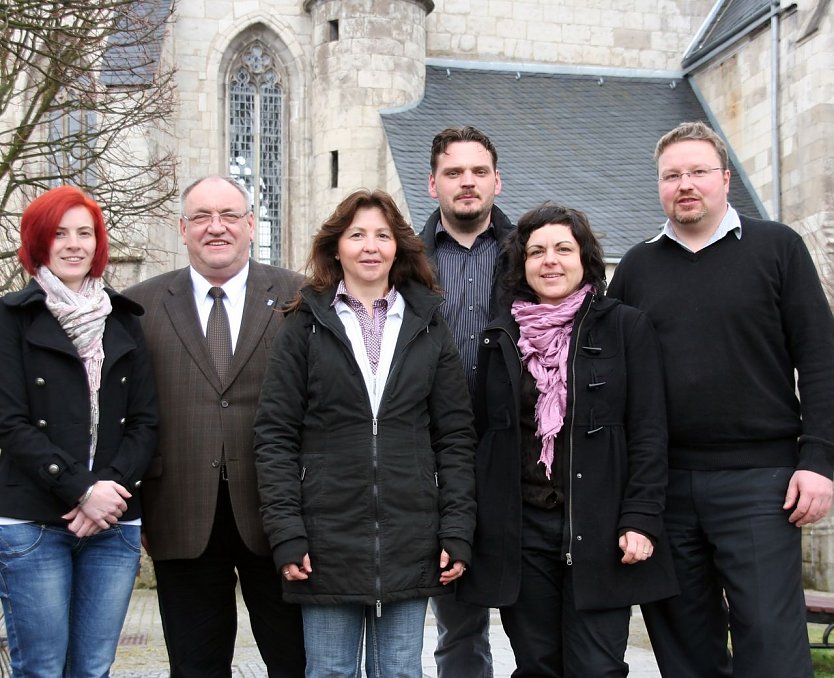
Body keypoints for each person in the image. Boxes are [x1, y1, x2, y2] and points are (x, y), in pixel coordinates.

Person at [608, 120, 834, 678]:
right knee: (684, 650)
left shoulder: (777, 247)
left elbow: (822, 358)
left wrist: (820, 461)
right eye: (672, 175)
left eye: (698, 172)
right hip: (665, 486)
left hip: (760, 482)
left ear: (725, 179)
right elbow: (611, 375)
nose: (685, 184)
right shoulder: (637, 267)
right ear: (659, 186)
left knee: (773, 648)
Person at [253, 189, 477, 677]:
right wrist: (286, 533)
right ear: (337, 247)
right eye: (357, 235)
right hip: (325, 538)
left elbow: (455, 437)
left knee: (398, 671)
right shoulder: (303, 324)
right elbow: (275, 437)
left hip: (410, 536)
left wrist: (457, 529)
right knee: (330, 671)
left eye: (382, 234)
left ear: (399, 246)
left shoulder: (428, 323)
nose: (370, 246)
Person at [457, 202, 677, 676]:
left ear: (585, 259)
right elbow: (484, 436)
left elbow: (649, 432)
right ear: (522, 265)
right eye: (536, 251)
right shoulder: (501, 336)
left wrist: (641, 517)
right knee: (537, 666)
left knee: (597, 667)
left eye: (562, 248)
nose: (550, 260)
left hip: (601, 528)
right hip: (523, 532)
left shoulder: (624, 326)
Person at [125, 176, 305, 677]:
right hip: (180, 510)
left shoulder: (299, 298)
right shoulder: (139, 307)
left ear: (251, 225)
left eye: (229, 215)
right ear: (183, 229)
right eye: (202, 217)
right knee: (195, 666)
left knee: (296, 661)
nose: (216, 227)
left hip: (279, 516)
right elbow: (129, 415)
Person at [0, 185, 158, 676]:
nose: (73, 243)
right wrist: (80, 489)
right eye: (59, 233)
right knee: (42, 669)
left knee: (93, 668)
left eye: (84, 233)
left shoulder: (125, 321)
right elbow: (10, 421)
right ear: (39, 242)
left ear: (98, 243)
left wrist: (107, 491)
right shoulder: (10, 317)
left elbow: (145, 420)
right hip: (34, 520)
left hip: (113, 522)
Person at [422, 125, 514, 678]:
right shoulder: (405, 258)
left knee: (533, 608)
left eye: (478, 172)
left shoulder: (528, 249)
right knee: (457, 616)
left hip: (519, 447)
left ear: (497, 182)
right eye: (454, 172)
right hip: (437, 453)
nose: (467, 183)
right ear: (433, 183)